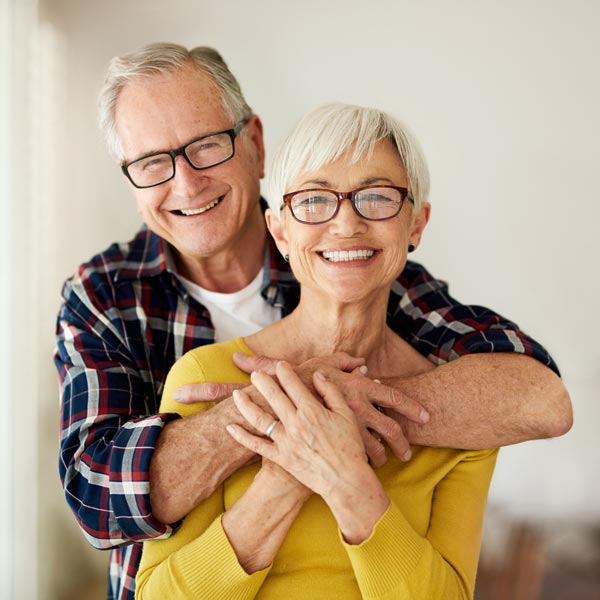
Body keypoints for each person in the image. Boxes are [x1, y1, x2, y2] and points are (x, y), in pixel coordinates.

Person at [54, 43, 571, 600]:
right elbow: (98, 497)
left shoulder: (356, 264)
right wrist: (281, 420)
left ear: (253, 143)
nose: (186, 184)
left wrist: (332, 412)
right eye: (152, 163)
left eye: (205, 145)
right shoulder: (107, 295)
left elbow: (536, 394)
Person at [137, 102, 502, 598]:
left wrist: (345, 477)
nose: (346, 224)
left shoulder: (467, 416)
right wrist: (288, 473)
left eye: (376, 197)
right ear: (280, 230)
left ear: (416, 224)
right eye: (314, 200)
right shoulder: (203, 376)